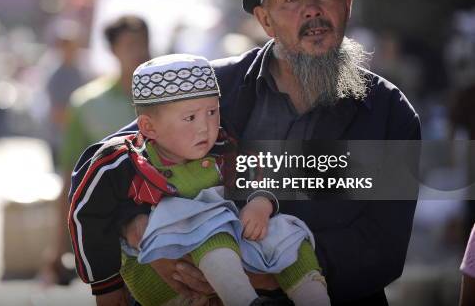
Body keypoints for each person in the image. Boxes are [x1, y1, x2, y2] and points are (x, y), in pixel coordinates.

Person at [70, 0, 421, 305]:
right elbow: (104, 162)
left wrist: (267, 277)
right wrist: (140, 228)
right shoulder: (212, 88)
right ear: (265, 20)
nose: (313, 9)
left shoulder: (388, 113)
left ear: (347, 4)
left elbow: (382, 248)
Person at [69, 54, 330, 306]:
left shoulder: (223, 144)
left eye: (212, 112)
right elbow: (86, 214)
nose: (206, 127)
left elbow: (258, 176)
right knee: (208, 225)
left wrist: (261, 203)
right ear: (149, 127)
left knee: (286, 233)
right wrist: (106, 286)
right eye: (190, 118)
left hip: (234, 259)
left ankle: (313, 296)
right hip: (166, 283)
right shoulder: (121, 163)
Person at [41, 15, 151, 285]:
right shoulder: (86, 104)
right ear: (113, 50)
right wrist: (59, 246)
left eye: (142, 43)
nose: (138, 52)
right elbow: (71, 178)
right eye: (129, 44)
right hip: (110, 234)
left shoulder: (171, 98)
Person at [44, 19, 85, 168]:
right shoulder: (56, 76)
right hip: (61, 140)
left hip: (80, 141)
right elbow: (57, 112)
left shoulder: (82, 71)